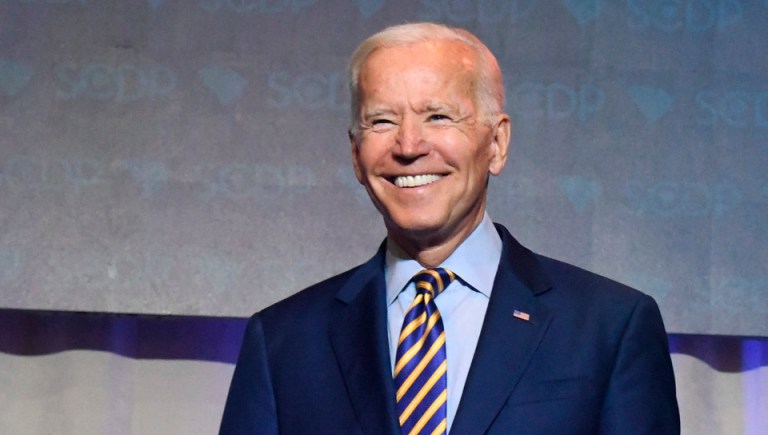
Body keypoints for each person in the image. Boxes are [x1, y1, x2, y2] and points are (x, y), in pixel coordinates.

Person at [219, 22, 680, 435]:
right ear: (356, 155)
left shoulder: (610, 326)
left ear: (496, 143)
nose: (408, 145)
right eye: (382, 120)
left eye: (437, 116)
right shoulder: (283, 341)